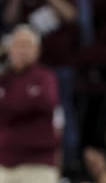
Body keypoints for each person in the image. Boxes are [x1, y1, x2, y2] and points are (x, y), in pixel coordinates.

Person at [0, 25, 61, 183]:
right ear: (9, 49)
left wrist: (8, 104)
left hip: (38, 165)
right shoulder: (4, 78)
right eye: (17, 44)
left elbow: (47, 102)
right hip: (4, 163)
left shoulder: (45, 77)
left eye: (27, 45)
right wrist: (26, 102)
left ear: (37, 50)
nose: (22, 49)